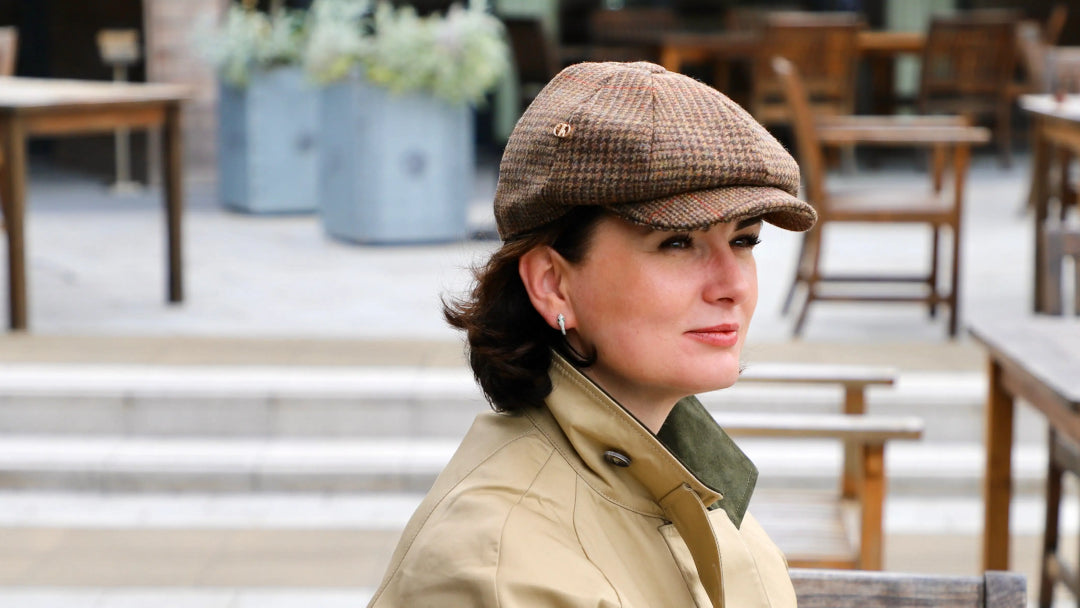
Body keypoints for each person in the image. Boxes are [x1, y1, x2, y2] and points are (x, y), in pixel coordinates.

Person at [367, 61, 816, 608]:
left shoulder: (686, 478)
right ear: (553, 284)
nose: (732, 287)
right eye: (677, 243)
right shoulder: (500, 565)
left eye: (744, 241)